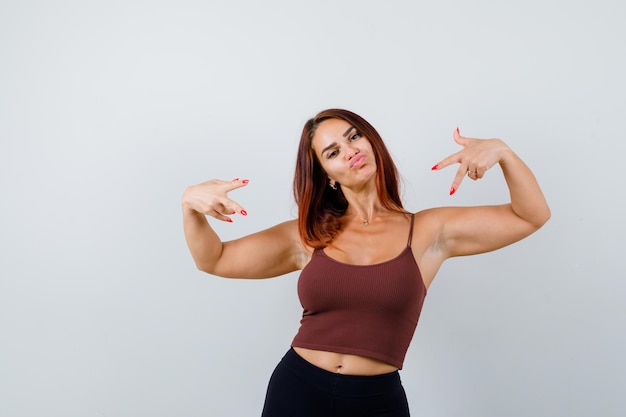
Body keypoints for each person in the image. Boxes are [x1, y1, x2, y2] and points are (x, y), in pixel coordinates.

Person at [181, 108, 550, 417]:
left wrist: (503, 153)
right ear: (326, 175)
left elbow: (530, 216)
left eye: (354, 136)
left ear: (370, 140)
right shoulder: (307, 234)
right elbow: (213, 258)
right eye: (332, 151)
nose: (350, 150)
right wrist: (190, 206)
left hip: (375, 401)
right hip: (297, 391)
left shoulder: (428, 231)